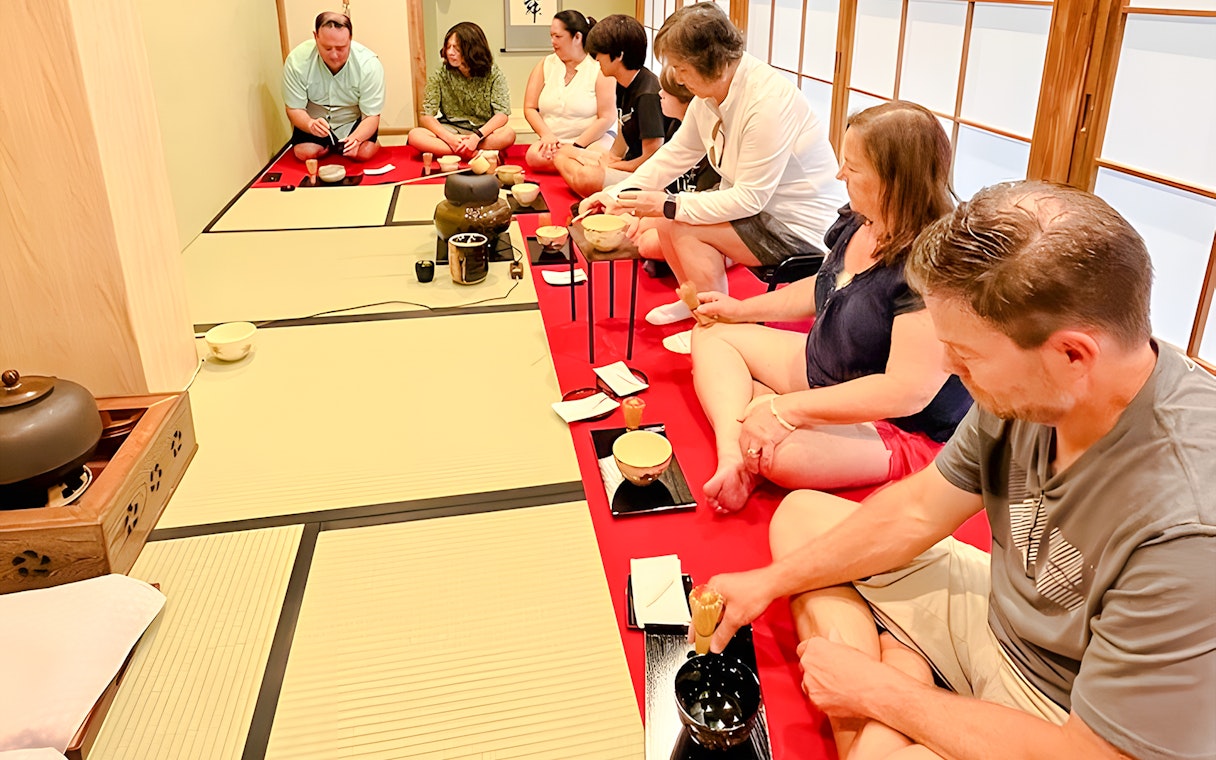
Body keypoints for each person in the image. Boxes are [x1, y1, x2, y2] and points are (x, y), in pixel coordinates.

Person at [704, 180, 1216, 759]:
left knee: (876, 731)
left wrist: (887, 697)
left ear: (1073, 355)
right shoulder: (1034, 391)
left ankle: (893, 693)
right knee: (800, 518)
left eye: (966, 358)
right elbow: (919, 509)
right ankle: (902, 686)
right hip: (997, 612)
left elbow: (1097, 753)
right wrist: (767, 584)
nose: (949, 368)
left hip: (1064, 709)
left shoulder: (1189, 528)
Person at [688, 101, 971, 512]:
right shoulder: (864, 217)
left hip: (896, 422)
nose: (840, 175)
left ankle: (755, 436)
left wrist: (784, 409)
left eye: (853, 168)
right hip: (829, 368)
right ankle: (734, 456)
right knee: (712, 334)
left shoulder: (933, 265)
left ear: (895, 180)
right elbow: (824, 286)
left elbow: (905, 393)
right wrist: (739, 310)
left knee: (781, 454)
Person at [579, 2, 846, 327]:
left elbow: (750, 198)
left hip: (798, 226)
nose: (676, 77)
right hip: (759, 212)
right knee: (666, 220)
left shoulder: (767, 104)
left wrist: (669, 204)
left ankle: (717, 321)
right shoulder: (712, 92)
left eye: (681, 67)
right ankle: (693, 300)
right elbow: (675, 154)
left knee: (683, 225)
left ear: (713, 64)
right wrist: (616, 194)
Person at [554, 15, 669, 197]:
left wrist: (616, 166)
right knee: (563, 154)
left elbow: (652, 157)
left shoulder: (647, 95)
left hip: (649, 176)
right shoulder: (622, 83)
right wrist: (610, 159)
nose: (596, 58)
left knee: (586, 176)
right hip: (629, 163)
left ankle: (600, 190)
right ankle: (602, 189)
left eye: (600, 53)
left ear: (619, 55)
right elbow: (622, 135)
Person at [637, 66, 722, 264]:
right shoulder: (675, 127)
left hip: (703, 213)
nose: (659, 94)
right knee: (638, 222)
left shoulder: (711, 138)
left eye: (667, 91)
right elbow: (662, 174)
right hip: (679, 207)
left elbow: (707, 200)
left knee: (647, 240)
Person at [282, 12, 384, 162]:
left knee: (364, 153)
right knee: (305, 153)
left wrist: (355, 139)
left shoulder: (368, 64)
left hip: (352, 120)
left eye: (341, 48)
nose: (335, 55)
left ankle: (351, 145)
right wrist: (310, 124)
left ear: (350, 38)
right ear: (315, 37)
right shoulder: (297, 61)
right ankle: (330, 146)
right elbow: (294, 108)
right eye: (327, 48)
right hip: (316, 118)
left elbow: (371, 116)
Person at [522, 11, 617, 172]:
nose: (553, 41)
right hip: (554, 142)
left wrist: (576, 146)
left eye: (558, 37)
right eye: (551, 36)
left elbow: (607, 117)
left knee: (597, 160)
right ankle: (571, 165)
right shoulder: (546, 64)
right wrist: (546, 136)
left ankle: (572, 164)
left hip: (591, 142)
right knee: (533, 156)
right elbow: (530, 107)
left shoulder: (598, 67)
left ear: (577, 37)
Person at [407, 22, 516, 158]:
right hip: (451, 130)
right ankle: (472, 153)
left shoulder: (493, 73)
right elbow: (426, 115)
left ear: (473, 49)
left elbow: (502, 114)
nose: (450, 52)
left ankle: (457, 151)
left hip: (482, 132)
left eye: (457, 48)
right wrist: (449, 139)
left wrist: (476, 137)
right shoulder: (440, 73)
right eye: (448, 47)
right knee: (415, 135)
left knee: (508, 135)